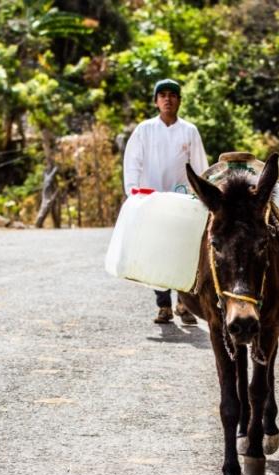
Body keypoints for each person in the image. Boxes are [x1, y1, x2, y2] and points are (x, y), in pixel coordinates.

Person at [122, 78, 209, 325]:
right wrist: (134, 192)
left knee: (184, 252)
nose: (167, 99)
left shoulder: (189, 131)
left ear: (179, 100)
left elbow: (200, 166)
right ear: (156, 101)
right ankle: (163, 305)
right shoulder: (145, 130)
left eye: (173, 95)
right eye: (163, 95)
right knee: (158, 253)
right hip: (153, 200)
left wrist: (201, 195)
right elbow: (133, 162)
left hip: (182, 202)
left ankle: (184, 303)